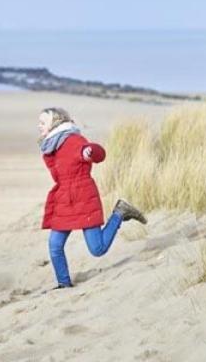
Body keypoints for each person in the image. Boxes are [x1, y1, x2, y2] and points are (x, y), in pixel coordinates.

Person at [37, 107, 146, 289]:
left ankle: (120, 213)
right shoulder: (52, 145)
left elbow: (97, 152)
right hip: (65, 198)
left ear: (55, 123)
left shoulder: (72, 140)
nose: (39, 126)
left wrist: (89, 151)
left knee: (97, 249)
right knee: (55, 244)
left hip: (83, 196)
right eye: (38, 122)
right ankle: (64, 283)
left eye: (42, 122)